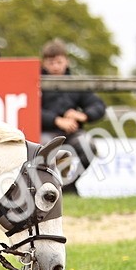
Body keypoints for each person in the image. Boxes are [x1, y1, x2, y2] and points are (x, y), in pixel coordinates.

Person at [39, 38, 106, 193]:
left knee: (88, 145)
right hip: (45, 132)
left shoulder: (75, 84)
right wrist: (57, 120)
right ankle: (47, 189)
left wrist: (84, 115)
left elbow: (99, 105)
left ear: (66, 62)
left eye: (58, 62)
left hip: (72, 133)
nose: (55, 66)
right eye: (50, 62)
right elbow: (30, 109)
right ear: (43, 63)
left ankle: (68, 186)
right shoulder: (35, 82)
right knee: (43, 148)